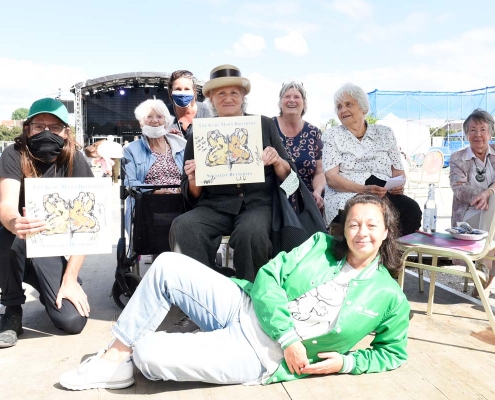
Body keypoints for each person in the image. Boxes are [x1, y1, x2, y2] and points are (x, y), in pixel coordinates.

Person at [59, 194, 410, 390]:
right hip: (243, 306)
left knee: (148, 353)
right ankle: (114, 359)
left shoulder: (390, 297)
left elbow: (392, 352)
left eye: (371, 225)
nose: (361, 233)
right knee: (166, 264)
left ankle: (149, 351)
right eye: (353, 224)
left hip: (261, 354)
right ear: (344, 228)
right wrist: (288, 335)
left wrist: (348, 362)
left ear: (386, 232)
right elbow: (268, 276)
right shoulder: (321, 245)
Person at [169, 64, 293, 282]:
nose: (228, 98)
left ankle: (252, 295)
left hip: (258, 205)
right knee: (183, 226)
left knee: (251, 233)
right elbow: (191, 194)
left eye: (234, 92)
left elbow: (290, 178)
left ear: (243, 96)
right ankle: (202, 291)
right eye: (221, 94)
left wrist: (277, 160)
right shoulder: (199, 133)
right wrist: (194, 179)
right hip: (215, 207)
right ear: (211, 99)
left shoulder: (264, 124)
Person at [0, 98, 94, 348]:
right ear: (27, 129)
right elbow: (6, 205)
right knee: (6, 237)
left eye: (54, 127)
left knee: (72, 322)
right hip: (17, 240)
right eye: (39, 126)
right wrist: (14, 222)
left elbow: (87, 227)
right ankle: (12, 310)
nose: (46, 132)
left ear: (66, 132)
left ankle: (48, 285)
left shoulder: (75, 160)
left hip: (48, 248)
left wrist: (70, 278)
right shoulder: (13, 154)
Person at [322, 82, 422, 236]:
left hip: (383, 193)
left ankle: (390, 248)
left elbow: (398, 171)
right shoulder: (332, 135)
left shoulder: (385, 133)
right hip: (348, 195)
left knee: (411, 209)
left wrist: (397, 185)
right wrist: (363, 190)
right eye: (339, 107)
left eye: (348, 104)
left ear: (363, 108)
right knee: (365, 212)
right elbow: (331, 178)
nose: (343, 110)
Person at [123, 99, 186, 234]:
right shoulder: (131, 149)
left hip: (181, 202)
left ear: (166, 121)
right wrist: (153, 191)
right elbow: (129, 182)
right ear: (141, 122)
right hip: (149, 204)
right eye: (149, 116)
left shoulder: (182, 145)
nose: (154, 120)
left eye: (159, 116)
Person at [449, 108, 495, 296]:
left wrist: (489, 192)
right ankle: (485, 261)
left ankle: (483, 272)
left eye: (483, 129)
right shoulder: (457, 158)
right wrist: (485, 196)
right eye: (473, 130)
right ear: (466, 134)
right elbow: (459, 188)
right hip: (468, 218)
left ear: (490, 133)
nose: (478, 135)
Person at [272, 81, 325, 209]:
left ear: (304, 103)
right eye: (287, 96)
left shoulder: (314, 132)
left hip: (306, 198)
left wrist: (317, 191)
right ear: (280, 102)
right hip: (274, 196)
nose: (292, 100)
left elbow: (319, 172)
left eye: (296, 97)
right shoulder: (269, 126)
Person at [167, 70, 212, 140]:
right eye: (178, 89)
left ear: (194, 91)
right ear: (171, 92)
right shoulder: (164, 114)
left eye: (187, 89)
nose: (182, 93)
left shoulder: (208, 112)